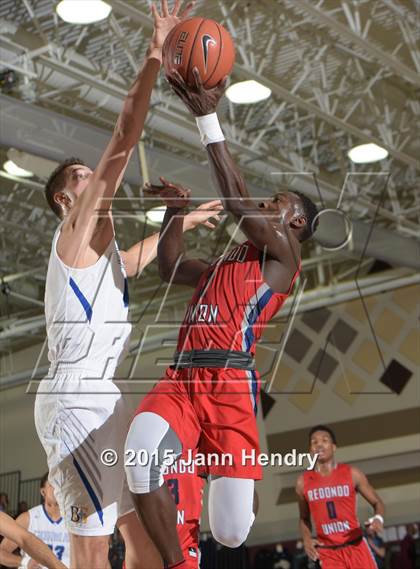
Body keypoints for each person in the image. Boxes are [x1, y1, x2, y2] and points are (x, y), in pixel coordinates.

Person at [31, 2, 225, 568]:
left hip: (103, 394)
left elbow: (135, 260)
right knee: (90, 551)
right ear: (68, 200)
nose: (94, 178)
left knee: (139, 536)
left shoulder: (102, 253)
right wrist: (155, 51)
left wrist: (182, 220)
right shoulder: (76, 226)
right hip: (74, 399)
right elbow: (124, 132)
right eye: (82, 177)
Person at [124, 67, 319, 568]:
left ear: (294, 222)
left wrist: (207, 114)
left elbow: (234, 200)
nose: (267, 201)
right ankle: (179, 562)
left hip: (230, 382)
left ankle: (232, 475)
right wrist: (175, 213)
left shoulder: (284, 255)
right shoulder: (229, 262)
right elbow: (169, 269)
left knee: (232, 533)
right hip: (184, 375)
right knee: (140, 455)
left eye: (278, 201)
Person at [296, 425, 385, 568]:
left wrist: (378, 519)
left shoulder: (352, 473)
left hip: (356, 546)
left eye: (324, 440)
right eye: (314, 442)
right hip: (328, 553)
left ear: (334, 446)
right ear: (310, 449)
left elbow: (377, 503)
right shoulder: (303, 482)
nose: (319, 444)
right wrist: (306, 539)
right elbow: (304, 518)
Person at [0, 473, 70, 567]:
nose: (57, 488)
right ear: (43, 492)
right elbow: (1, 553)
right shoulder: (28, 518)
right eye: (52, 485)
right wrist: (24, 562)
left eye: (60, 485)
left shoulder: (74, 521)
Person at [0, 511, 67, 569]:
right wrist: (25, 561)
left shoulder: (73, 519)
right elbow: (25, 539)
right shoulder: (28, 517)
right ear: (43, 495)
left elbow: (25, 538)